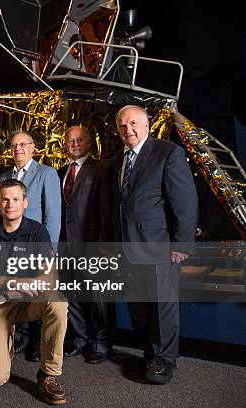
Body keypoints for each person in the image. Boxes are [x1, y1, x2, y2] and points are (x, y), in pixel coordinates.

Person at [110, 105, 198, 384]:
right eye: (123, 126)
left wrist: (181, 244)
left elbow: (184, 202)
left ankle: (165, 358)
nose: (129, 130)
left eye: (134, 123)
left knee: (162, 305)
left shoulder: (168, 152)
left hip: (160, 247)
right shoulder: (118, 159)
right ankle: (150, 353)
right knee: (139, 305)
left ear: (147, 124)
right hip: (128, 247)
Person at [0, 179, 68, 405]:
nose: (10, 204)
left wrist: (8, 291)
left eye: (15, 199)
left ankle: (49, 374)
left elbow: (51, 277)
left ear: (24, 203)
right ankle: (6, 337)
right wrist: (14, 283)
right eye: (5, 199)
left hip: (25, 299)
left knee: (57, 301)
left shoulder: (37, 231)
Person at [1, 130, 61, 361]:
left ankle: (38, 343)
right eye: (14, 145)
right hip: (11, 245)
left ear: (33, 147)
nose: (18, 149)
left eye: (23, 144)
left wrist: (51, 250)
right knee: (18, 290)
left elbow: (53, 215)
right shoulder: (6, 176)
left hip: (38, 245)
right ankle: (21, 338)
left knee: (38, 292)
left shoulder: (46, 173)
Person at [58, 126, 114, 364]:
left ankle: (102, 343)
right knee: (74, 295)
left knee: (99, 296)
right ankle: (80, 340)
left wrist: (102, 243)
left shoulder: (102, 168)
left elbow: (106, 209)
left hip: (93, 243)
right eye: (70, 140)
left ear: (89, 142)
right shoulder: (61, 172)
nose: (75, 144)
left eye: (80, 139)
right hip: (67, 245)